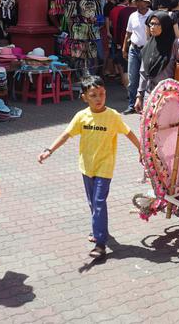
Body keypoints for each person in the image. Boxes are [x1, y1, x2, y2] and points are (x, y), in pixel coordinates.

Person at [39, 76, 141, 258]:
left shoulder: (112, 116)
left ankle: (100, 244)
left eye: (101, 94)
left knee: (99, 202)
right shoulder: (81, 116)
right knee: (93, 203)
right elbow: (66, 134)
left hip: (105, 167)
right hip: (87, 167)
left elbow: (129, 133)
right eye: (93, 95)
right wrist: (49, 150)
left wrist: (142, 150)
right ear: (85, 97)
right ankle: (99, 229)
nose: (98, 98)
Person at [134, 12, 179, 111]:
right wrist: (139, 96)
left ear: (165, 25)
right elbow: (143, 72)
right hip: (149, 94)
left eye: (157, 24)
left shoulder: (175, 43)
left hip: (168, 94)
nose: (152, 27)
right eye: (151, 24)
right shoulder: (149, 45)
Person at [122, 0, 152, 114]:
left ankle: (144, 104)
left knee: (145, 78)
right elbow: (128, 33)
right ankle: (131, 105)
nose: (138, 4)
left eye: (141, 1)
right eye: (137, 1)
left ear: (146, 3)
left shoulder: (152, 15)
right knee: (132, 77)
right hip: (134, 48)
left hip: (147, 49)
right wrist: (124, 48)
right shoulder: (132, 16)